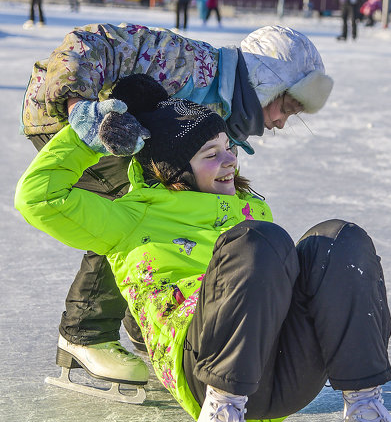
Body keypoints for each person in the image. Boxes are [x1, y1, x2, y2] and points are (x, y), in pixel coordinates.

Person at [15, 77, 391, 422]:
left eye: (226, 145)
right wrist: (84, 138)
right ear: (173, 173)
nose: (230, 159)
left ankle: (364, 418)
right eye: (211, 155)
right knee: (259, 242)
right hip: (204, 372)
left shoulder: (249, 207)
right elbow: (38, 198)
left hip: (285, 376)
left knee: (339, 240)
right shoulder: (129, 219)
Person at [21, 23, 334, 395]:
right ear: (267, 83)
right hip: (63, 119)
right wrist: (80, 110)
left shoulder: (223, 105)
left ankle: (150, 320)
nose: (282, 122)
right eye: (286, 107)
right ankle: (85, 333)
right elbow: (87, 42)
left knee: (168, 205)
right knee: (138, 214)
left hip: (123, 133)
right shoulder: (190, 63)